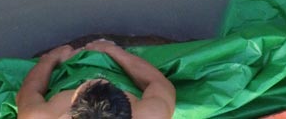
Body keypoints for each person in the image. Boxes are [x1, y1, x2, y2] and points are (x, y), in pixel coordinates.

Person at [16, 39, 176, 119]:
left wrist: (51, 58)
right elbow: (158, 82)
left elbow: (29, 90)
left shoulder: (39, 116)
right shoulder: (152, 113)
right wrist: (111, 49)